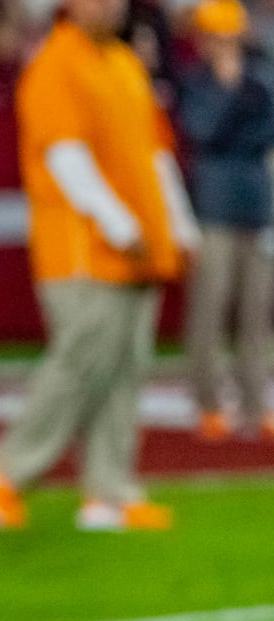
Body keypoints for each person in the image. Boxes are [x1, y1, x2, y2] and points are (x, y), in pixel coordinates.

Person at [0, 0, 200, 532]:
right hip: (81, 247)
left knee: (127, 367)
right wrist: (118, 224)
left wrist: (179, 223)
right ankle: (5, 466)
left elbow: (154, 151)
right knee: (81, 363)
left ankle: (108, 491)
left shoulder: (122, 61)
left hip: (140, 244)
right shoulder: (54, 63)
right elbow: (63, 155)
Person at [177, 0, 274, 442]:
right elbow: (203, 131)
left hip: (256, 205)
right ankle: (209, 402)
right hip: (213, 208)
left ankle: (257, 401)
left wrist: (236, 100)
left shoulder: (261, 79)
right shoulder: (196, 83)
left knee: (258, 312)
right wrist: (231, 93)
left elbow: (263, 132)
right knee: (210, 310)